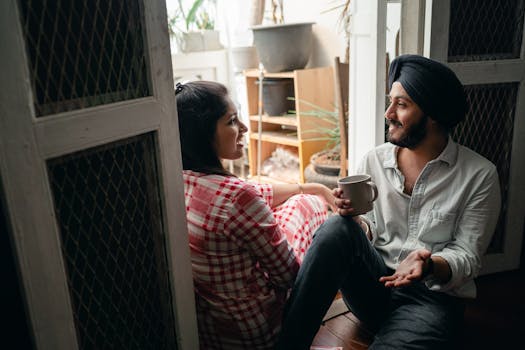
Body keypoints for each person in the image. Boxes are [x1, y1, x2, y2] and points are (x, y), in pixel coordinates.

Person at [276, 54, 502, 349]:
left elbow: (468, 256)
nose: (388, 113)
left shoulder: (479, 175)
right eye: (390, 101)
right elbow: (367, 227)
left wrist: (430, 264)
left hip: (431, 301)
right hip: (373, 287)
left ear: (433, 113)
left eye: (402, 104)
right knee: (335, 229)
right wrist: (355, 222)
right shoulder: (374, 160)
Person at [175, 80, 336, 350]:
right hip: (257, 332)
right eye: (232, 121)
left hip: (211, 332)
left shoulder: (180, 179)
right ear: (203, 133)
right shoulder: (236, 196)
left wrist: (312, 185)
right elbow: (288, 276)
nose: (244, 128)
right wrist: (312, 197)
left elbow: (256, 190)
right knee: (306, 205)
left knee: (299, 197)